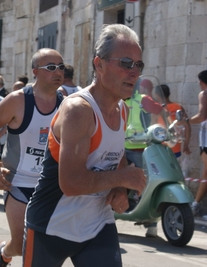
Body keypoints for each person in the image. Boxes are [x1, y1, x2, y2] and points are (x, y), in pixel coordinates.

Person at [22, 24, 147, 267]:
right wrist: (123, 178)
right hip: (51, 226)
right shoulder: (79, 110)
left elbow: (115, 157)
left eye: (138, 65)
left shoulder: (121, 109)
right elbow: (71, 183)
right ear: (99, 64)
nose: (134, 72)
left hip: (97, 225)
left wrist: (121, 188)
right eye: (125, 63)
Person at [0, 48, 65, 267]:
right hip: (18, 181)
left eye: (61, 67)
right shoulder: (17, 100)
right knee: (20, 244)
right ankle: (3, 252)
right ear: (35, 71)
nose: (58, 72)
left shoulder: (66, 102)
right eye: (51, 67)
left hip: (50, 185)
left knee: (48, 244)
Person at [189, 70, 207, 220]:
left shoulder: (204, 94)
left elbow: (201, 116)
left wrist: (186, 122)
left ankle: (195, 204)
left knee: (206, 173)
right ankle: (196, 204)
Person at [160, 84, 191, 157]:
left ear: (158, 95)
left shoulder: (158, 108)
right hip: (175, 146)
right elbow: (187, 126)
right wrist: (186, 144)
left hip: (161, 146)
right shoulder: (178, 107)